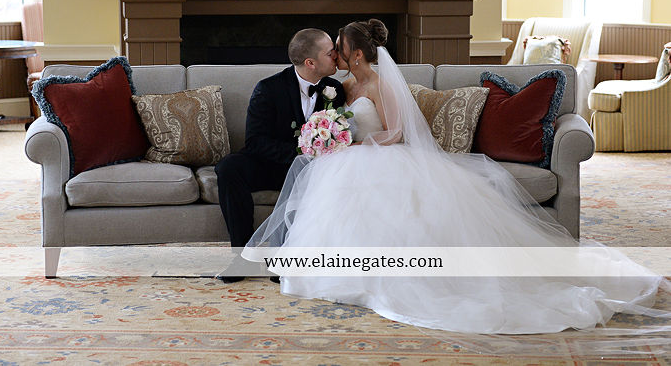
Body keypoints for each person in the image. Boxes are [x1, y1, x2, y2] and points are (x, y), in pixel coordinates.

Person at [243, 19, 671, 336]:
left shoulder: (379, 85)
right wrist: (332, 138)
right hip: (347, 158)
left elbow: (395, 132)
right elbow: (333, 119)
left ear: (356, 55)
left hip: (379, 156)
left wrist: (354, 144)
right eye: (331, 50)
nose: (334, 55)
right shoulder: (341, 87)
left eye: (339, 49)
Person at [215, 28, 345, 282]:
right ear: (311, 62)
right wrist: (302, 151)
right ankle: (243, 258)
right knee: (229, 167)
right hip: (272, 165)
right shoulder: (268, 88)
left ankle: (287, 257)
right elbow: (255, 142)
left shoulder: (335, 89)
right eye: (331, 53)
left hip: (313, 170)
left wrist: (314, 156)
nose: (336, 56)